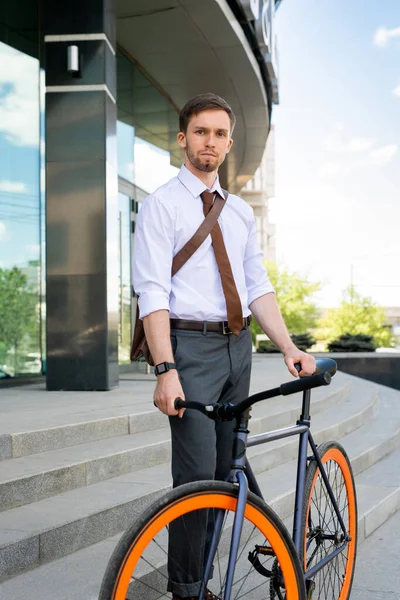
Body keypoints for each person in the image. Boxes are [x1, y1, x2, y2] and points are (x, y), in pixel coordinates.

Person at [132, 93, 316, 600]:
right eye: (200, 132)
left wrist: (288, 347)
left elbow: (258, 285)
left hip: (238, 347)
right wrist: (165, 368)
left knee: (224, 467)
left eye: (218, 134)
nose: (209, 141)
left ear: (229, 144)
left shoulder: (237, 214)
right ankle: (188, 591)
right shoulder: (160, 205)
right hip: (188, 348)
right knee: (194, 480)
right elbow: (153, 291)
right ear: (183, 139)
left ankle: (261, 546)